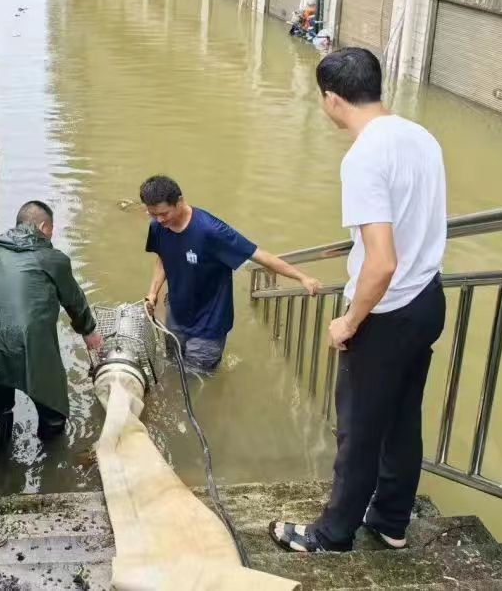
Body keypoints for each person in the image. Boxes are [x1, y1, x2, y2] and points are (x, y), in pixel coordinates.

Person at [270, 48, 447, 553]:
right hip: (427, 300)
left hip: (386, 312)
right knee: (402, 420)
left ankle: (332, 535)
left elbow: (381, 262)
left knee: (359, 431)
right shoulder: (421, 136)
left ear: (330, 99)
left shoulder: (364, 156)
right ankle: (391, 520)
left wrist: (349, 321)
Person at [0, 201, 103, 451]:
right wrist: (89, 331)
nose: (51, 236)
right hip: (33, 346)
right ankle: (52, 464)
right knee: (53, 409)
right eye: (51, 230)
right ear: (43, 226)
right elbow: (74, 300)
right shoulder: (53, 259)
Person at [141, 175, 321, 372]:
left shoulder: (212, 232)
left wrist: (302, 277)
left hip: (208, 326)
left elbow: (258, 255)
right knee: (173, 367)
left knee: (197, 379)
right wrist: (153, 293)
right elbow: (162, 259)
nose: (159, 219)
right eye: (153, 214)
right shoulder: (158, 227)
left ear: (180, 201)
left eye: (164, 213)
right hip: (175, 315)